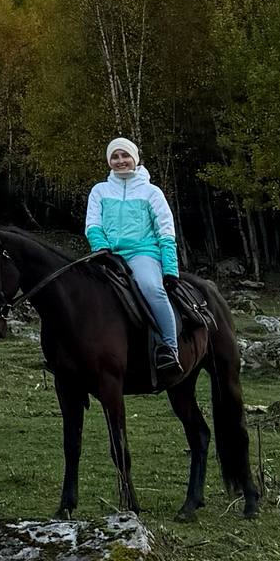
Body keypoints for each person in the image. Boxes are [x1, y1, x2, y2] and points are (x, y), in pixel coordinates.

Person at [86, 136, 183, 383]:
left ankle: (169, 348)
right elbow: (93, 225)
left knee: (151, 289)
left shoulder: (152, 192)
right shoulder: (100, 190)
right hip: (107, 254)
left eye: (125, 155)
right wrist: (101, 250)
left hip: (143, 253)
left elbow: (166, 231)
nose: (120, 161)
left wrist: (170, 268)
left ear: (135, 158)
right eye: (115, 157)